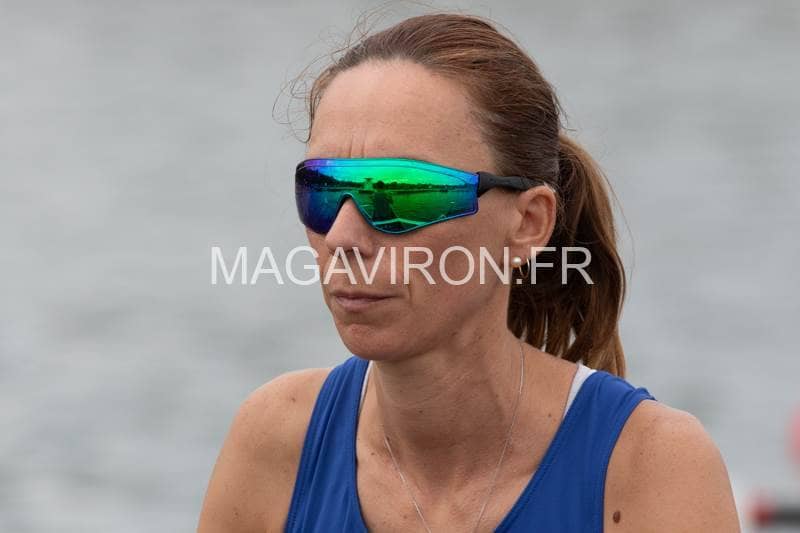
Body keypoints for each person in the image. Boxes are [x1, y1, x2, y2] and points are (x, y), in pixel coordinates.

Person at [198, 12, 740, 532]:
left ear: (528, 223)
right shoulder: (276, 439)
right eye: (322, 190)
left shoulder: (653, 468)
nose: (341, 237)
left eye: (399, 192)